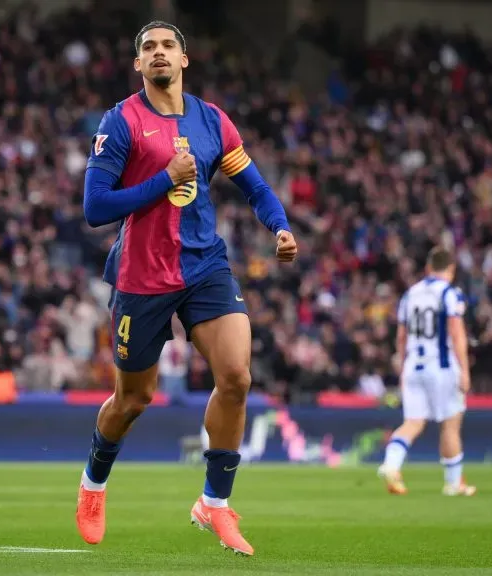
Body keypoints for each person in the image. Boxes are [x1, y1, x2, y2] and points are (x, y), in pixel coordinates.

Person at [75, 20, 298, 556]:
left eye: (167, 46)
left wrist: (280, 225)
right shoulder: (121, 120)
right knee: (134, 400)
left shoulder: (212, 121)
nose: (158, 53)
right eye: (148, 47)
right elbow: (94, 207)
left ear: (184, 59)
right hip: (142, 277)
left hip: (204, 268)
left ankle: (214, 504)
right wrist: (163, 180)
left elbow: (255, 185)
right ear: (138, 64)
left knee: (237, 377)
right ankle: (93, 484)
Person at [378, 248, 477, 496]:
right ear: (451, 270)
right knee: (450, 423)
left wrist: (403, 366)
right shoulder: (449, 294)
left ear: (428, 268)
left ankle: (391, 465)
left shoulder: (410, 294)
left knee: (412, 423)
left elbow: (401, 336)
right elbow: (456, 333)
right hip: (441, 366)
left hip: (413, 366)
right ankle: (454, 483)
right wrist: (464, 371)